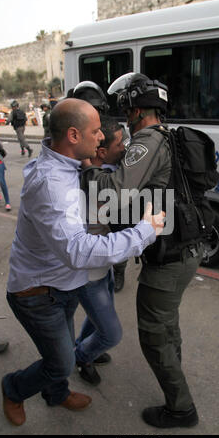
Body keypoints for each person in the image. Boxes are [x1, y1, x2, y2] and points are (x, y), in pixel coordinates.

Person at [1, 97, 165, 427]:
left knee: (61, 354)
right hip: (37, 294)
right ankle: (14, 388)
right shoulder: (53, 184)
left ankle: (56, 394)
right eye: (95, 131)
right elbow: (78, 250)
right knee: (60, 362)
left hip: (64, 285)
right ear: (74, 135)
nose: (102, 137)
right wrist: (144, 231)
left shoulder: (66, 164)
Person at [81, 73, 204, 429]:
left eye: (125, 108)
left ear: (135, 109)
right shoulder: (170, 133)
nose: (124, 115)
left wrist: (89, 167)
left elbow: (116, 192)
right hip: (187, 245)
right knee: (167, 324)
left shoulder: (146, 141)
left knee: (152, 332)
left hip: (170, 254)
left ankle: (181, 408)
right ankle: (175, 373)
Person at [75, 115, 126, 385]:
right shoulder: (86, 182)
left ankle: (86, 347)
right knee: (111, 333)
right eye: (121, 143)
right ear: (102, 151)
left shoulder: (105, 178)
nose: (126, 148)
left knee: (97, 321)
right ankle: (81, 356)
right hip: (88, 272)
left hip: (102, 267)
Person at [71, 81, 128, 291]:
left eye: (94, 110)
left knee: (114, 229)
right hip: (82, 186)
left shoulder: (113, 128)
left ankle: (119, 268)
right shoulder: (71, 127)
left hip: (106, 184)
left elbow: (124, 155)